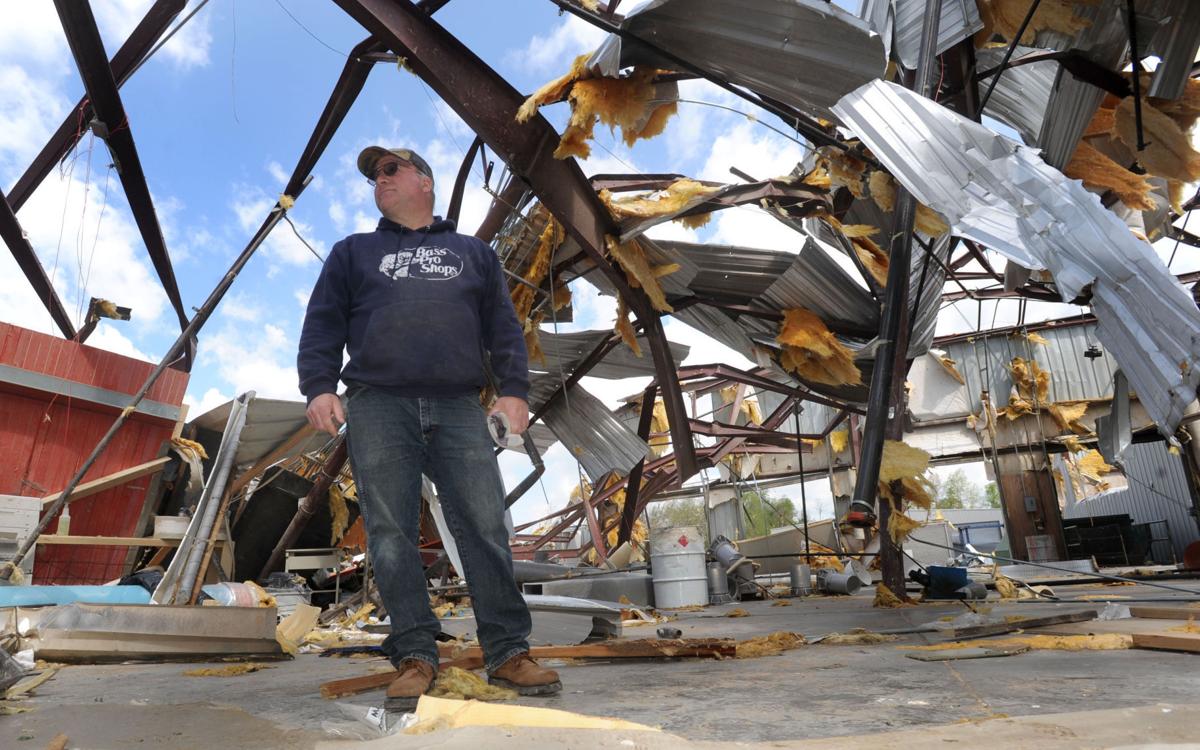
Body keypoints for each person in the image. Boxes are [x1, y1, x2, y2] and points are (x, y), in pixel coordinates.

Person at [297, 146, 560, 711]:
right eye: (374, 175)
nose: (379, 180)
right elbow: (322, 323)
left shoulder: (473, 254)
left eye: (391, 169)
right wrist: (318, 386)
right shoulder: (353, 252)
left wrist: (514, 391)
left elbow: (503, 328)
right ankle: (416, 653)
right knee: (390, 534)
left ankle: (508, 651)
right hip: (377, 403)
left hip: (459, 403)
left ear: (425, 180)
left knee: (485, 523)